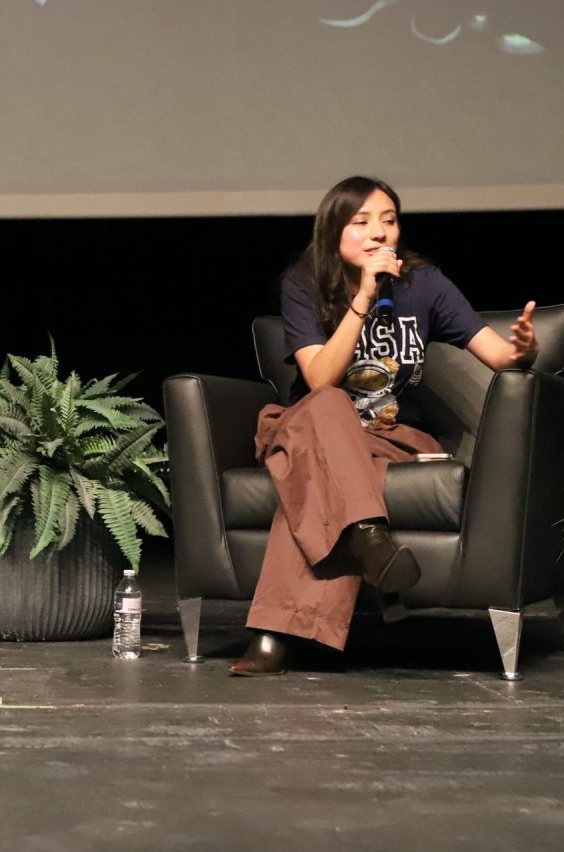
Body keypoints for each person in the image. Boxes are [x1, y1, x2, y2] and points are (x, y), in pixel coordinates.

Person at [230, 175, 539, 677]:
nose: (379, 233)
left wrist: (523, 350)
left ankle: (274, 632)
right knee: (330, 404)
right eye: (362, 222)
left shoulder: (425, 284)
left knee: (319, 483)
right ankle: (373, 544)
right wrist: (363, 300)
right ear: (333, 231)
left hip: (388, 437)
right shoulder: (304, 284)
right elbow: (320, 378)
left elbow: (499, 354)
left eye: (389, 221)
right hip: (308, 427)